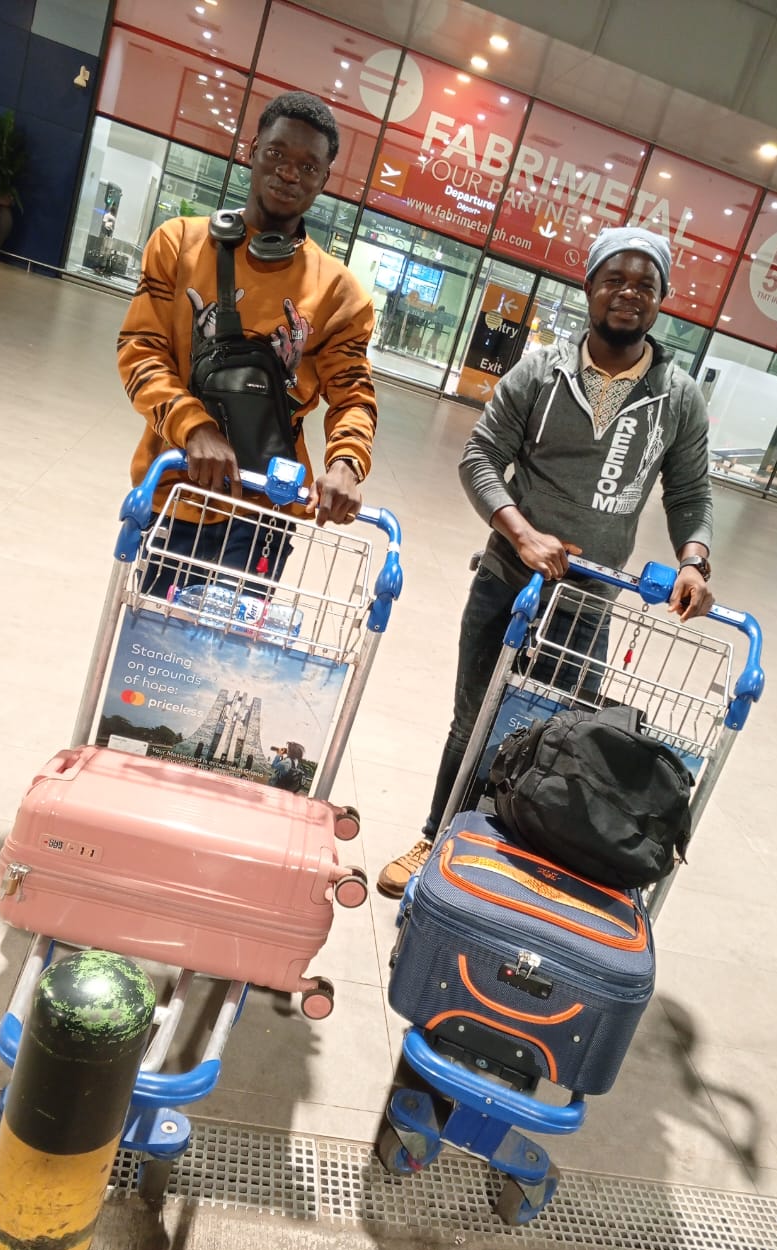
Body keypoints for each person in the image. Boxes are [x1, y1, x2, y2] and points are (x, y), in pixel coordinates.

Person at [377, 225, 715, 898]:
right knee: (474, 720)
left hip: (590, 601)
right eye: (615, 279)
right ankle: (435, 838)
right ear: (589, 287)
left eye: (645, 285)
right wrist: (522, 533)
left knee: (559, 734)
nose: (629, 294)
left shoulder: (678, 398)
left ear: (662, 300)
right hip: (508, 581)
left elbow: (690, 493)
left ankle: (518, 854)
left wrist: (694, 560)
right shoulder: (539, 372)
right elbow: (480, 457)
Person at [117, 91, 377, 588]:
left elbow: (353, 396)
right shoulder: (178, 243)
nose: (289, 173)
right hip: (177, 492)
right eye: (276, 153)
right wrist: (195, 428)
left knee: (233, 641)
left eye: (308, 166)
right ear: (252, 151)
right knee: (148, 636)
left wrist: (346, 464)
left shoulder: (341, 293)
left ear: (324, 179)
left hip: (265, 513)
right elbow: (140, 351)